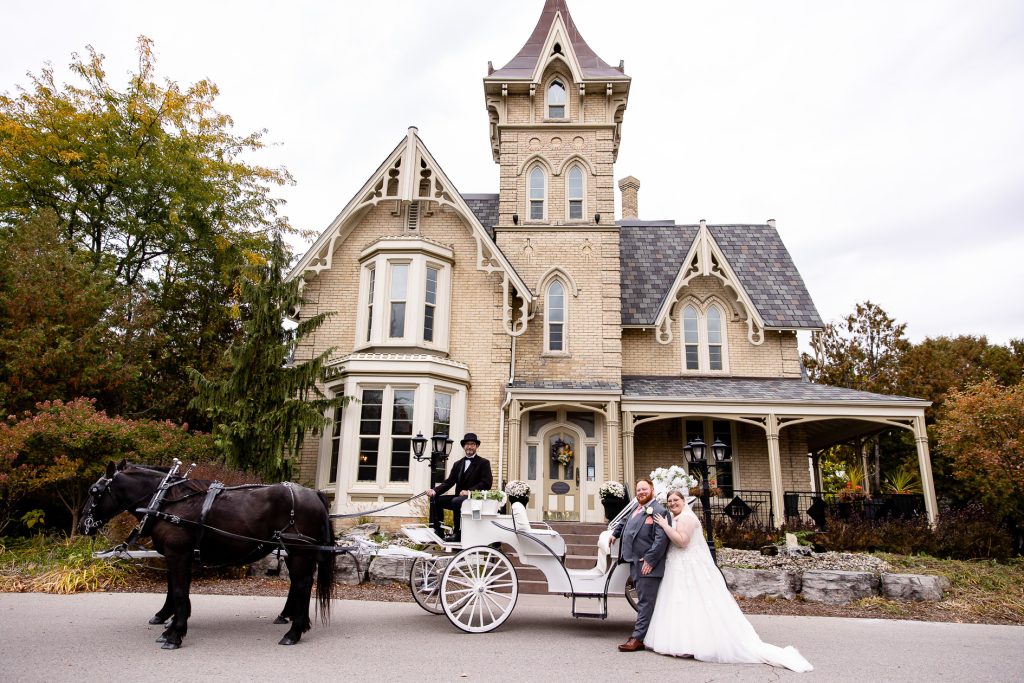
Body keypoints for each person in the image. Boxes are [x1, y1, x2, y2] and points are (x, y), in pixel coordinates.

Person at [644, 489, 814, 672]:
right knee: (679, 602)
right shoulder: (674, 517)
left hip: (688, 567)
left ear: (683, 501)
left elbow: (682, 542)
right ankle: (680, 641)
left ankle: (696, 643)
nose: (672, 503)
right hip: (677, 566)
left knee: (693, 602)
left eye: (675, 500)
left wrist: (665, 526)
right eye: (669, 501)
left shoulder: (686, 518)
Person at [610, 477, 670, 652]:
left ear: (652, 490)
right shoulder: (636, 508)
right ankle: (644, 634)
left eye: (644, 489)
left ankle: (638, 639)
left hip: (647, 564)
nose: (641, 492)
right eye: (638, 490)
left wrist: (650, 559)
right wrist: (615, 533)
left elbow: (661, 539)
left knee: (645, 602)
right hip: (634, 561)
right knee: (643, 600)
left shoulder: (659, 511)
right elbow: (625, 522)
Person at [426, 432, 492, 542]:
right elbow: (449, 482)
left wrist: (469, 492)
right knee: (437, 499)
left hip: (474, 499)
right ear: (464, 446)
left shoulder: (484, 463)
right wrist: (434, 490)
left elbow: (486, 483)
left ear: (476, 446)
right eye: (467, 444)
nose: (469, 447)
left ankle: (458, 533)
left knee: (456, 501)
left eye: (472, 444)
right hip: (459, 498)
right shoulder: (458, 464)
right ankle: (439, 530)